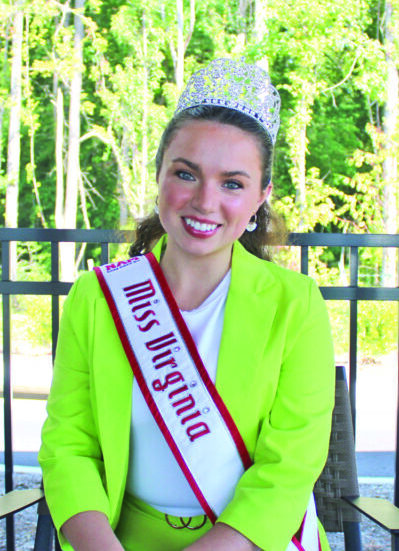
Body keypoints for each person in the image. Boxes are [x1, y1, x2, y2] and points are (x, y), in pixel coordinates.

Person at [39, 58, 335, 551]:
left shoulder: (295, 304)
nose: (204, 201)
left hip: (255, 541)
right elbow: (68, 446)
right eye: (186, 174)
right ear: (159, 178)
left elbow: (291, 466)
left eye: (233, 183)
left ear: (261, 197)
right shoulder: (97, 298)